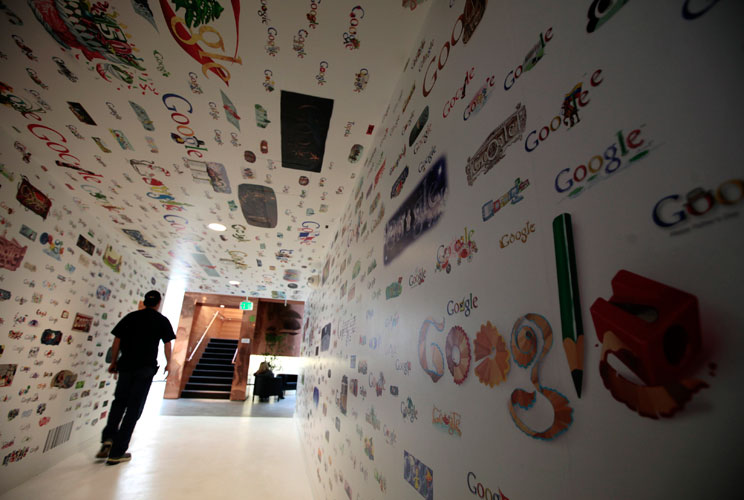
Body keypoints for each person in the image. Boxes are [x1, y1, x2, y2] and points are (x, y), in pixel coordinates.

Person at [96, 290, 175, 465]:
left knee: (119, 402)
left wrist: (114, 361)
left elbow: (117, 340)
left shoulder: (131, 317)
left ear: (144, 301)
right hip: (145, 368)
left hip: (126, 366)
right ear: (158, 303)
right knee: (134, 409)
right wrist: (169, 363)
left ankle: (108, 438)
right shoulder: (161, 321)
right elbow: (167, 344)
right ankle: (117, 452)